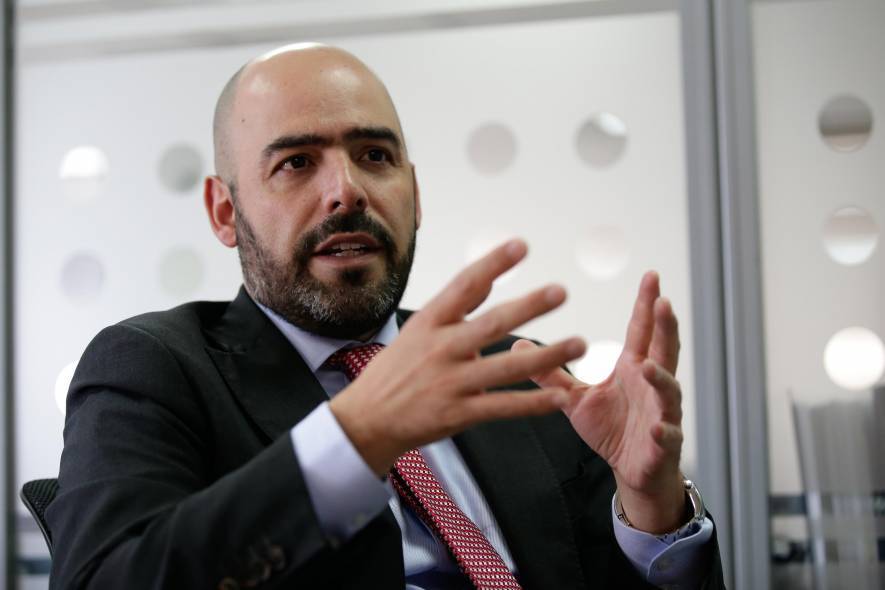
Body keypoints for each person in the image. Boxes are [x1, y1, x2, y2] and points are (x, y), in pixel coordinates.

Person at [47, 43, 724, 589]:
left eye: (374, 156)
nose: (346, 192)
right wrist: (357, 435)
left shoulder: (513, 372)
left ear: (415, 193)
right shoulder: (154, 369)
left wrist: (651, 508)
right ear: (225, 212)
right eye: (296, 162)